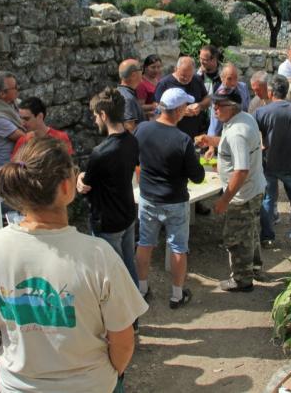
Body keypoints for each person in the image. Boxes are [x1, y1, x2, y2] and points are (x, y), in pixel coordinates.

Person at [0, 137, 147, 393]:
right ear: (67, 186)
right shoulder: (98, 255)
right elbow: (123, 342)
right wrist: (112, 374)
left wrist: (22, 314)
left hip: (18, 385)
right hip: (90, 385)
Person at [134, 88, 205, 308]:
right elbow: (198, 176)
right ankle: (176, 295)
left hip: (148, 197)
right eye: (185, 107)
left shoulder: (142, 129)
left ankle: (142, 289)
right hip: (175, 199)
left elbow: (135, 159)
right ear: (179, 110)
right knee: (177, 247)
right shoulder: (182, 140)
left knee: (145, 243)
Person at [196, 86, 266, 292]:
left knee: (236, 237)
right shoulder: (243, 119)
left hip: (242, 195)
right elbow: (232, 145)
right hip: (254, 188)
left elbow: (241, 170)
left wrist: (224, 199)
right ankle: (254, 267)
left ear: (233, 107)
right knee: (251, 232)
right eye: (214, 104)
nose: (214, 108)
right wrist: (211, 141)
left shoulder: (237, 132)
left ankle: (242, 280)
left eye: (219, 105)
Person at [76, 88, 140, 286]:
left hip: (107, 222)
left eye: (96, 116)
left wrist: (79, 177)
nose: (95, 121)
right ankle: (136, 306)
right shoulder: (132, 140)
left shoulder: (100, 152)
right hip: (128, 214)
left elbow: (85, 187)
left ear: (103, 115)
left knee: (113, 274)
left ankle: (125, 313)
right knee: (129, 264)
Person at [254, 74, 291, 250]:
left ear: (271, 91)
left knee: (268, 200)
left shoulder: (261, 112)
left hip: (269, 164)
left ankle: (267, 237)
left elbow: (252, 135)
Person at [154, 56, 210, 138]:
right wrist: (181, 112)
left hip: (196, 134)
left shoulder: (197, 79)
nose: (186, 79)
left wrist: (200, 106)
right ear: (176, 69)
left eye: (189, 76)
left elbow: (207, 98)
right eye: (183, 75)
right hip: (172, 135)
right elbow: (158, 109)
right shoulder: (164, 84)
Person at [207, 62, 250, 137]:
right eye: (229, 79)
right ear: (222, 78)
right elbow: (214, 124)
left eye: (236, 78)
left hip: (244, 128)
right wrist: (211, 143)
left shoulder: (243, 87)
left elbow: (247, 109)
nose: (233, 82)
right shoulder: (219, 96)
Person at [117, 58, 146, 132]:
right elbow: (130, 128)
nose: (142, 72)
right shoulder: (127, 98)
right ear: (133, 75)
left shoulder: (122, 92)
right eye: (141, 69)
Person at [136, 54, 162, 118]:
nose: (156, 70)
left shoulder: (158, 79)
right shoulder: (141, 84)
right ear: (145, 68)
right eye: (153, 67)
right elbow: (139, 106)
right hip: (148, 118)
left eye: (158, 67)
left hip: (159, 115)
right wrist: (152, 106)